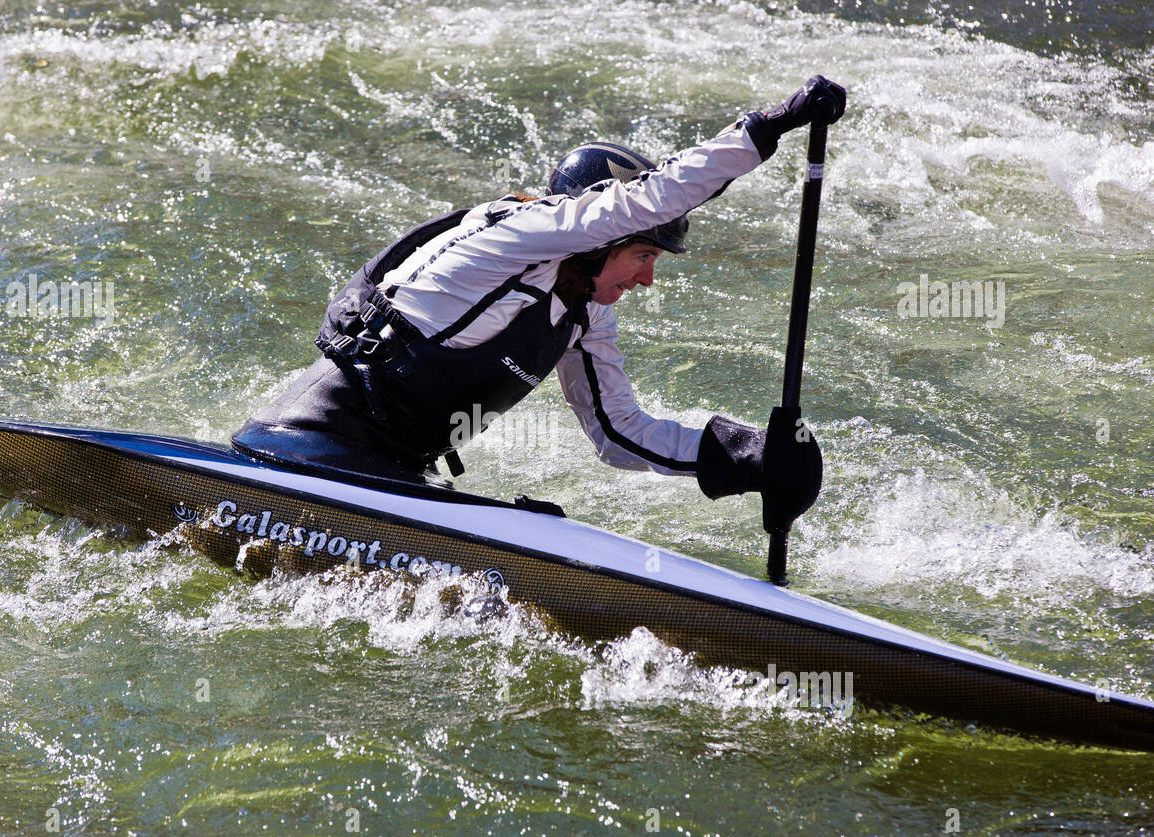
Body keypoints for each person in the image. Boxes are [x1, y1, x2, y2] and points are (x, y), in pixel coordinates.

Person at [233, 76, 846, 525]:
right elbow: (652, 199)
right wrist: (767, 127)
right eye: (643, 257)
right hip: (301, 449)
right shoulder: (516, 237)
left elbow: (617, 430)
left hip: (394, 479)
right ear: (598, 233)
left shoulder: (585, 311)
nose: (647, 281)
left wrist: (744, 459)